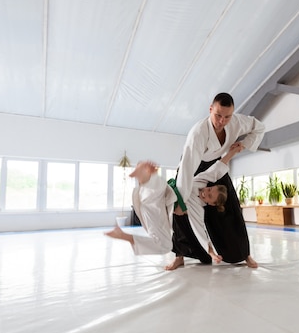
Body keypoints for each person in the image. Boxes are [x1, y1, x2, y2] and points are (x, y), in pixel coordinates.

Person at [104, 145, 241, 267]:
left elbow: (200, 232)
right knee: (160, 189)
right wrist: (232, 153)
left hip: (159, 212)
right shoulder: (201, 182)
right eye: (210, 189)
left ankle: (126, 236)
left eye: (210, 196)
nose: (206, 192)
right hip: (162, 194)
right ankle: (146, 176)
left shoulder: (198, 209)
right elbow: (217, 169)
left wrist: (211, 253)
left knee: (165, 246)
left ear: (212, 204)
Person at [174, 93, 265, 267]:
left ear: (233, 114)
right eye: (218, 115)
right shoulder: (198, 133)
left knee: (231, 206)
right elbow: (186, 169)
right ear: (210, 110)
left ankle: (244, 253)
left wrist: (244, 144)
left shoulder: (238, 122)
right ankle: (180, 255)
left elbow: (260, 127)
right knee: (180, 210)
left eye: (227, 116)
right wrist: (180, 200)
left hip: (216, 164)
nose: (222, 121)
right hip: (193, 166)